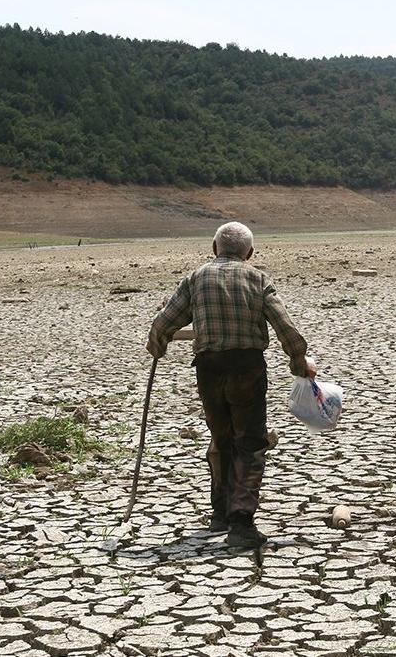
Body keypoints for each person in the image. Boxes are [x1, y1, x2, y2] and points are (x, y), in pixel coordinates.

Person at [146, 221, 315, 547]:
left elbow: (164, 322)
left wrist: (158, 346)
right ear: (249, 253)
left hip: (209, 369)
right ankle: (240, 523)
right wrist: (299, 362)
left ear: (214, 249)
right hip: (247, 369)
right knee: (249, 443)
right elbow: (286, 327)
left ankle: (220, 513)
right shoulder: (258, 279)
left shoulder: (195, 279)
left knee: (221, 439)